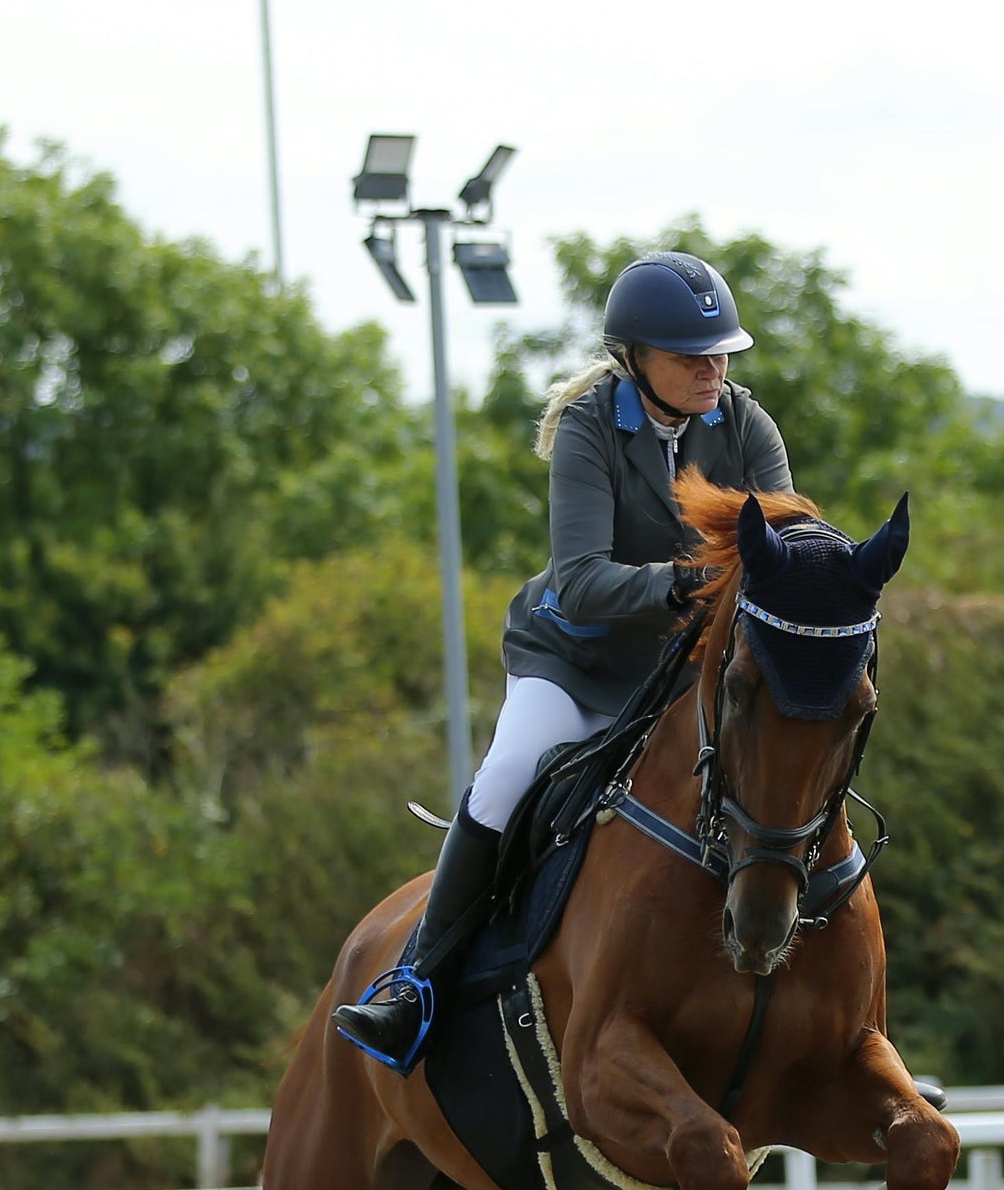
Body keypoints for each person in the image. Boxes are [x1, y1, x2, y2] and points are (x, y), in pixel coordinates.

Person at [335, 252, 792, 1070]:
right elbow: (582, 583)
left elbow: (781, 551)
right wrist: (691, 580)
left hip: (679, 675)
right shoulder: (590, 427)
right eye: (691, 356)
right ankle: (414, 985)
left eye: (720, 353)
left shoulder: (745, 424)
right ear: (634, 359)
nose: (712, 369)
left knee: (780, 777)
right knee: (508, 774)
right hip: (574, 666)